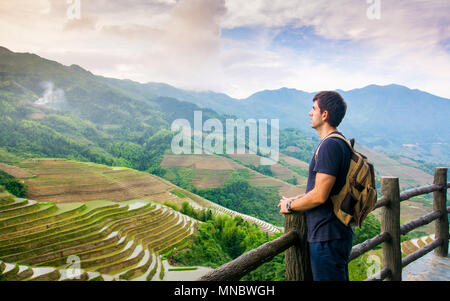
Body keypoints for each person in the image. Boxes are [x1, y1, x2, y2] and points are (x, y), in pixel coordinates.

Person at [278, 91, 353, 281]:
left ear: (324, 115)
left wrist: (290, 206)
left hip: (327, 234)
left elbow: (320, 195)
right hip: (333, 233)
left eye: (314, 109)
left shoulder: (330, 146)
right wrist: (295, 199)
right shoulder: (339, 142)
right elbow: (322, 189)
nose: (310, 113)